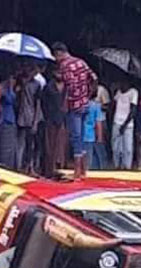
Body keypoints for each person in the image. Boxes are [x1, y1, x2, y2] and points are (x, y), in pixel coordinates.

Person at [53, 42, 98, 180]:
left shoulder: (65, 66)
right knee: (82, 136)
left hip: (74, 105)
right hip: (85, 103)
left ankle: (77, 171)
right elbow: (94, 78)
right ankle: (83, 170)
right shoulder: (81, 62)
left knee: (75, 137)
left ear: (59, 53)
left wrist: (65, 102)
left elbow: (69, 86)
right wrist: (89, 93)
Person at [17, 63, 44, 175]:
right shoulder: (20, 81)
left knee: (30, 143)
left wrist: (35, 122)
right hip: (20, 115)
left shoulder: (37, 85)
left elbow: (37, 103)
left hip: (30, 116)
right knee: (20, 143)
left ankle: (30, 166)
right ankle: (19, 165)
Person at [42, 67, 68, 177]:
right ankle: (49, 170)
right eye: (58, 72)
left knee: (60, 145)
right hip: (50, 118)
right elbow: (43, 103)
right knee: (49, 146)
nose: (60, 74)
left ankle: (58, 167)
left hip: (62, 118)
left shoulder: (66, 87)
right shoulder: (49, 87)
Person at [112, 79, 138, 169]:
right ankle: (117, 166)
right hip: (117, 122)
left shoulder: (133, 92)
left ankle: (127, 167)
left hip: (128, 125)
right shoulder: (118, 92)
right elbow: (114, 106)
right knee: (116, 148)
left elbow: (133, 111)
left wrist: (124, 125)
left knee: (128, 148)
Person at [0, 72, 19, 169]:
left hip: (11, 118)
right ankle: (4, 165)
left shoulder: (12, 90)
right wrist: (9, 86)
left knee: (11, 145)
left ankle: (10, 165)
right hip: (5, 118)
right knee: (5, 145)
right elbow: (9, 99)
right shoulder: (3, 89)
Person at [83, 94, 103, 171]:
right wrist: (100, 137)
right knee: (89, 159)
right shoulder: (95, 106)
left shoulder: (81, 104)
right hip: (90, 136)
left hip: (81, 135)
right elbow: (98, 123)